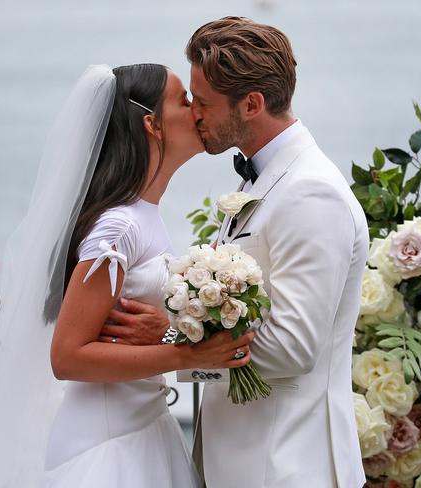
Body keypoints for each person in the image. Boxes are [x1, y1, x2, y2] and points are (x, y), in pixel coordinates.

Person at [0, 63, 253, 488]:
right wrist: (185, 355)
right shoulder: (120, 227)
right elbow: (67, 356)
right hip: (108, 449)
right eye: (183, 100)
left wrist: (175, 338)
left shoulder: (145, 218)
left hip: (145, 428)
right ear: (153, 125)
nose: (197, 111)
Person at [110, 18, 368, 488]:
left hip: (286, 464)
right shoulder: (262, 179)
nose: (195, 115)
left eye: (203, 103)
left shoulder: (311, 193)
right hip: (245, 463)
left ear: (252, 104)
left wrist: (171, 337)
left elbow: (292, 348)